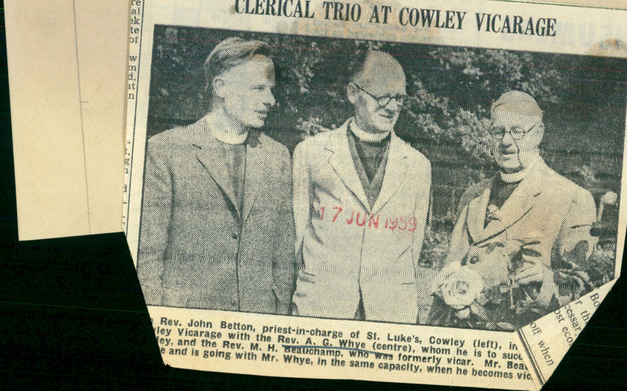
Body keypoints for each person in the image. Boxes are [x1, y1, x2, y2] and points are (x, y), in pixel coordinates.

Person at [137, 37, 294, 314]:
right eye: (258, 88)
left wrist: (279, 314)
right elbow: (146, 256)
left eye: (270, 90)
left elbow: (283, 253)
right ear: (220, 87)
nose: (270, 100)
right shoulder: (165, 150)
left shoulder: (277, 156)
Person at [428, 90, 598, 330]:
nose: (506, 142)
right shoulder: (472, 196)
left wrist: (547, 281)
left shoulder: (572, 198)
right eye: (498, 131)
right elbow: (448, 273)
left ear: (538, 133)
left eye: (517, 131)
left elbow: (585, 289)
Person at [292, 50, 431, 323]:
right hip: (321, 309)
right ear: (353, 93)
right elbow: (298, 238)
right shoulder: (311, 152)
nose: (392, 107)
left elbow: (414, 249)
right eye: (382, 96)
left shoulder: (418, 165)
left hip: (390, 314)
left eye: (399, 98)